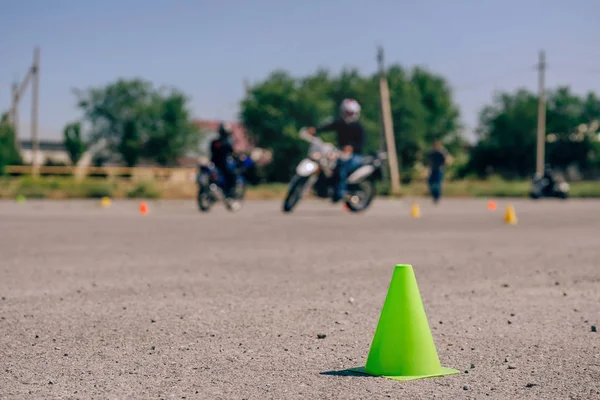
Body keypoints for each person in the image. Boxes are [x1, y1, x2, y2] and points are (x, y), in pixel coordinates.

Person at [307, 98, 366, 202]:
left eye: (350, 113)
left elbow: (361, 145)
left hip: (355, 156)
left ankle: (339, 193)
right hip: (340, 152)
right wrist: (315, 130)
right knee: (328, 163)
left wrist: (351, 148)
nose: (347, 115)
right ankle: (322, 187)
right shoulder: (340, 124)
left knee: (341, 167)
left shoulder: (358, 127)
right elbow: (327, 127)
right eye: (346, 112)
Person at [210, 122, 237, 197]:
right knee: (233, 175)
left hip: (214, 163)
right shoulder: (227, 143)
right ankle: (229, 192)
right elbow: (232, 152)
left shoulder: (214, 142)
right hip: (223, 165)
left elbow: (212, 151)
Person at [427, 139, 450, 204]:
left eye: (436, 145)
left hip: (439, 170)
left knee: (437, 184)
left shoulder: (442, 152)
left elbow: (447, 159)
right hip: (433, 170)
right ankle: (434, 196)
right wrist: (428, 169)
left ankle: (437, 198)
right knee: (431, 183)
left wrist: (443, 166)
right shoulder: (431, 153)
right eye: (434, 145)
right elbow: (429, 162)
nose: (435, 147)